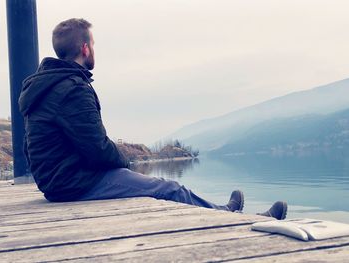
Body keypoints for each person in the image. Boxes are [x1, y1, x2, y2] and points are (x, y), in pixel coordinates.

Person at [19, 18, 287, 220]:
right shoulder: (71, 89)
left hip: (58, 182)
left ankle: (224, 213)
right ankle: (234, 218)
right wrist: (125, 165)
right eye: (95, 45)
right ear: (86, 48)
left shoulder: (46, 85)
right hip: (73, 184)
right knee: (169, 188)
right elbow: (97, 149)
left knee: (158, 186)